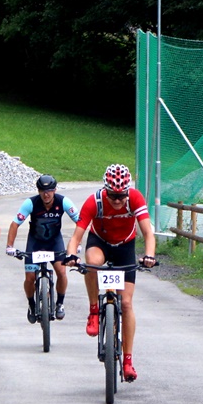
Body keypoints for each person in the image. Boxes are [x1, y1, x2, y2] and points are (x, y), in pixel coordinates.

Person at [64, 163, 156, 382]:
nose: (117, 201)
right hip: (100, 242)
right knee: (92, 263)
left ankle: (128, 361)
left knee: (126, 304)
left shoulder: (135, 199)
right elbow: (76, 237)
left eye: (121, 196)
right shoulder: (94, 202)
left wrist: (149, 256)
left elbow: (148, 233)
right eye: (113, 196)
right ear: (105, 190)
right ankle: (94, 311)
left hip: (125, 246)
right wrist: (71, 256)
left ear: (127, 192)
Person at [4, 174, 80, 323]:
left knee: (61, 272)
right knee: (30, 278)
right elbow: (15, 224)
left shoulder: (63, 201)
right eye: (43, 191)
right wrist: (10, 246)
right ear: (38, 191)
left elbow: (80, 222)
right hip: (35, 243)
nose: (46, 194)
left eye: (50, 191)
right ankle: (31, 304)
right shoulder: (30, 203)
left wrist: (78, 244)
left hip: (54, 242)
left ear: (55, 190)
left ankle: (60, 303)